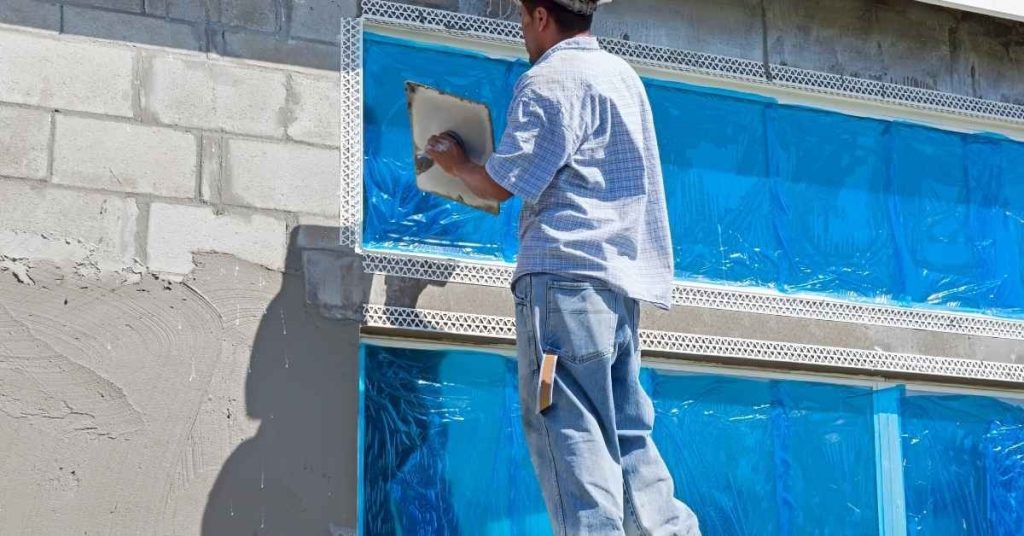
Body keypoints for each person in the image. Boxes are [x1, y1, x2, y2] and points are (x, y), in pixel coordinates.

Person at [425, 0, 701, 534]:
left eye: (524, 20)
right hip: (618, 289)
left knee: (568, 429)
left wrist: (455, 163)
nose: (523, 32)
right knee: (626, 434)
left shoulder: (548, 79)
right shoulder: (622, 76)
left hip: (562, 286)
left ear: (542, 17)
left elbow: (502, 184)